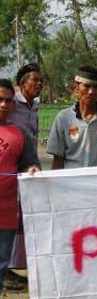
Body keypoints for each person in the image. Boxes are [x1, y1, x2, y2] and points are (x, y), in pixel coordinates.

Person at [0, 79, 40, 293]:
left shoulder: (20, 134)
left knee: (1, 264)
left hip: (6, 214)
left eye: (8, 101)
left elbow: (31, 164)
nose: (4, 105)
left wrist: (32, 170)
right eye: (0, 100)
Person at [47, 66, 97, 169]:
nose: (91, 91)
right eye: (86, 86)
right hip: (72, 182)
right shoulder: (64, 118)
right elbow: (58, 159)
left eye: (95, 87)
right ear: (76, 88)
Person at [9, 63, 42, 147]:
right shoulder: (11, 104)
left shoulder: (34, 108)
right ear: (22, 83)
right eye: (35, 80)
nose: (39, 84)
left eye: (41, 81)